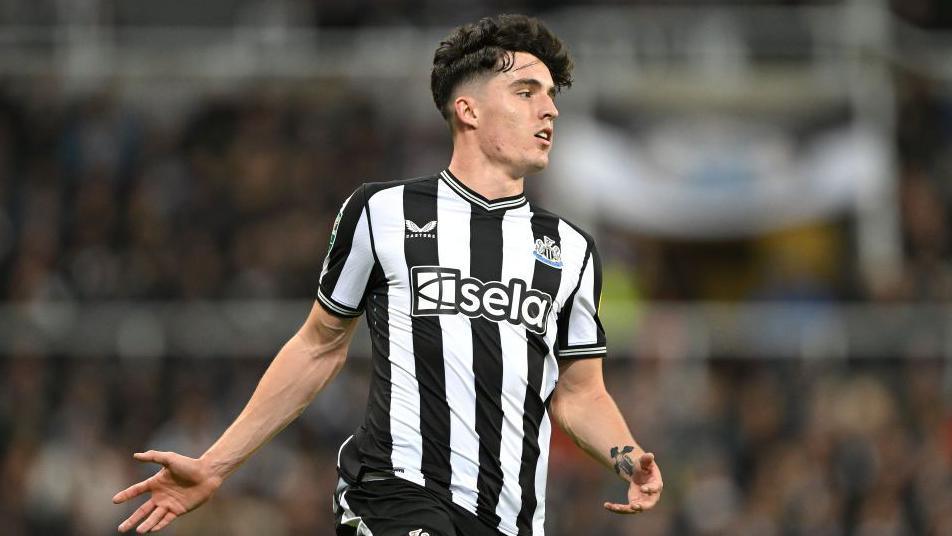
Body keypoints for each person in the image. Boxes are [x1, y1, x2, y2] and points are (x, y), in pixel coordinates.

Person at [113, 14, 662, 535]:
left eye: (551, 95)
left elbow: (580, 394)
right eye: (526, 92)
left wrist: (628, 458)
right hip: (394, 495)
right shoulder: (382, 212)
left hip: (511, 520)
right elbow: (319, 347)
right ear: (468, 110)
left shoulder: (570, 249)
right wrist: (214, 464)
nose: (550, 110)